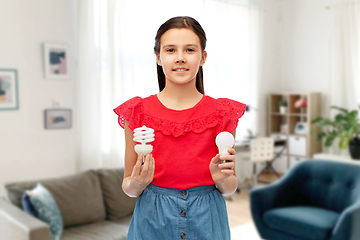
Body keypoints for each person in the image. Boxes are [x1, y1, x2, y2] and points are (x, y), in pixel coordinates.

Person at [113, 16, 246, 240]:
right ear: (158, 57)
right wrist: (138, 182)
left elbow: (230, 187)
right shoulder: (137, 112)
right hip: (152, 220)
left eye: (190, 50)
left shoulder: (223, 113)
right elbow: (129, 187)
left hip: (208, 219)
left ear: (203, 57)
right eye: (171, 50)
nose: (181, 58)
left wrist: (220, 178)